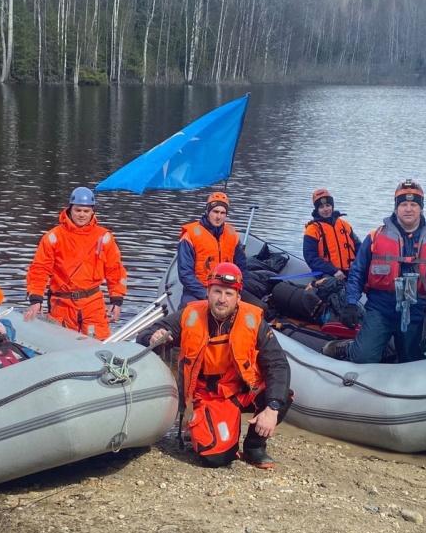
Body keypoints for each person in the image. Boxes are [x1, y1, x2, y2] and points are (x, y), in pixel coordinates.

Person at [137, 262, 291, 469]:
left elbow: (278, 364)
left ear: (238, 297)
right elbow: (146, 334)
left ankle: (255, 447)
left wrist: (272, 408)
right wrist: (152, 337)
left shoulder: (253, 321)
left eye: (228, 293)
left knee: (281, 396)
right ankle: (212, 428)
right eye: (217, 292)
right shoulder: (189, 315)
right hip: (210, 394)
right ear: (208, 292)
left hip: (244, 389)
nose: (222, 299)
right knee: (215, 458)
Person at [322, 179, 426, 364]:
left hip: (417, 310)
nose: (408, 209)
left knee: (411, 361)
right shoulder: (375, 236)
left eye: (413, 204)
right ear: (396, 208)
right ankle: (348, 347)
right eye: (403, 204)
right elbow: (357, 272)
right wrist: (351, 303)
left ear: (421, 208)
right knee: (363, 357)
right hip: (381, 307)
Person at [24, 186, 126, 340]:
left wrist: (116, 300)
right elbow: (39, 269)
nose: (82, 215)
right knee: (58, 347)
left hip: (93, 303)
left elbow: (115, 270)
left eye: (86, 211)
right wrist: (36, 300)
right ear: (70, 209)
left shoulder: (103, 237)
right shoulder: (54, 237)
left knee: (99, 347)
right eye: (78, 210)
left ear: (93, 211)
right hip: (62, 304)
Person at [177, 191, 248, 306]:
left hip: (229, 288)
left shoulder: (232, 234)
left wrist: (234, 290)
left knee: (260, 308)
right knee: (186, 315)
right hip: (199, 291)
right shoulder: (190, 235)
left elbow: (242, 267)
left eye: (222, 213)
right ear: (208, 211)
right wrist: (207, 294)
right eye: (215, 211)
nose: (218, 216)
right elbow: (185, 274)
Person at [303, 188, 362, 280]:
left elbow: (359, 247)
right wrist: (333, 270)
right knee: (333, 287)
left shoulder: (344, 225)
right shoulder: (312, 230)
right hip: (327, 273)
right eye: (321, 207)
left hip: (350, 271)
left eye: (328, 205)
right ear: (317, 210)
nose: (326, 209)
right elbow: (311, 258)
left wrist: (359, 267)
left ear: (332, 206)